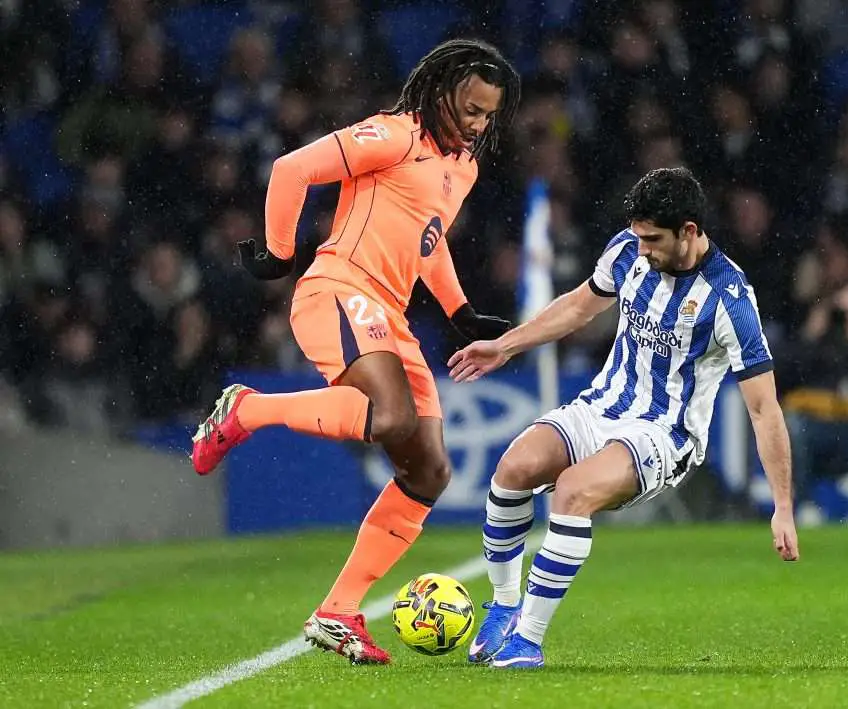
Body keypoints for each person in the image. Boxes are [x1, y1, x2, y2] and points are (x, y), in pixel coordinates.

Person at [190, 39, 520, 665]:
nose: (478, 124)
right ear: (442, 92)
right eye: (470, 109)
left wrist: (459, 311)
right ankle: (248, 408)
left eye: (488, 114)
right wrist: (279, 252)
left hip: (389, 314)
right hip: (341, 289)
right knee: (390, 416)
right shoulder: (394, 134)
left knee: (429, 471)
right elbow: (292, 169)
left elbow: (427, 240)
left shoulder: (463, 166)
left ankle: (338, 611)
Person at [447, 167, 800, 669]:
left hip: (664, 434)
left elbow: (764, 410)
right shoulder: (628, 251)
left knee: (572, 492)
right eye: (639, 237)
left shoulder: (730, 299)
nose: (643, 249)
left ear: (689, 231)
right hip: (602, 405)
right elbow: (578, 307)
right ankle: (505, 607)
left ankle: (528, 640)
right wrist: (504, 346)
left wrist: (782, 506)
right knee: (512, 469)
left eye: (654, 240)